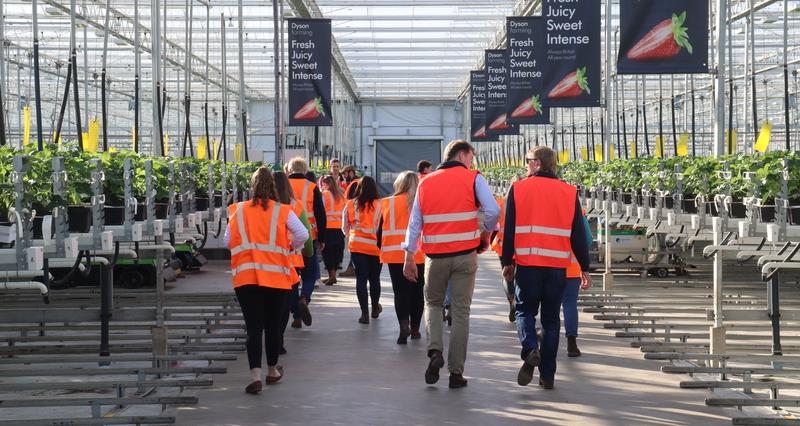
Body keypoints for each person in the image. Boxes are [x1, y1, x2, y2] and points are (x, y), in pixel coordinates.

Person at [402, 139, 500, 389]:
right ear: (462, 154)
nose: (472, 162)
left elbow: (415, 223)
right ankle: (456, 373)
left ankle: (435, 351)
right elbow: (492, 211)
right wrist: (486, 235)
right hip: (466, 255)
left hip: (435, 257)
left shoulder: (426, 182)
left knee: (433, 304)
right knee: (460, 312)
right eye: (471, 157)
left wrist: (408, 256)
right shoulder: (473, 178)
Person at [501, 146, 591, 390]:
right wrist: (585, 266)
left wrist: (506, 261)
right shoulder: (568, 191)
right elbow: (578, 235)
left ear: (538, 163)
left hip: (528, 266)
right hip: (556, 268)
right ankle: (547, 376)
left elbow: (509, 229)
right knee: (551, 321)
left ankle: (530, 348)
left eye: (528, 160)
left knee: (524, 312)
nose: (525, 164)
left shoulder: (518, 189)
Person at [224, 167, 308, 394]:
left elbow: (227, 241)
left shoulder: (238, 211)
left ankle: (255, 376)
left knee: (253, 329)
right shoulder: (283, 211)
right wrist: (290, 246)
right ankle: (272, 370)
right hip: (276, 278)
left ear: (251, 187)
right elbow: (303, 234)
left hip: (246, 278)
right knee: (272, 327)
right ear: (272, 186)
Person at [379, 171, 425, 344]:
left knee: (400, 292)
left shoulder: (387, 202)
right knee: (417, 292)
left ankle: (403, 326)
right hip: (418, 254)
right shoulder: (422, 202)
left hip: (393, 254)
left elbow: (379, 230)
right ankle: (415, 330)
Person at [272, 171, 313, 354]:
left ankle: (275, 336)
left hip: (270, 259)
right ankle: (280, 336)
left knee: (272, 302)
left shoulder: (267, 207)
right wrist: (306, 251)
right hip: (292, 259)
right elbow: (305, 233)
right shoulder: (295, 206)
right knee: (285, 302)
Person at [287, 157, 327, 329]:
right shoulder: (311, 187)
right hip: (309, 236)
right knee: (309, 275)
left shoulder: (283, 186)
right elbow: (320, 214)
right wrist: (322, 238)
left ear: (289, 170)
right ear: (305, 170)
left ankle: (296, 315)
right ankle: (304, 298)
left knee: (292, 277)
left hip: (287, 238)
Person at [342, 176, 383, 324]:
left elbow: (344, 227)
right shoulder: (380, 205)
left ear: (359, 187)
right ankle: (374, 308)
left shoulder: (351, 204)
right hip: (375, 247)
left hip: (357, 246)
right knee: (374, 279)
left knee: (361, 279)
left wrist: (351, 237)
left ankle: (364, 313)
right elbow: (382, 227)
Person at [562, 210, 593, 357]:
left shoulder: (546, 207)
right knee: (569, 305)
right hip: (572, 268)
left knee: (550, 306)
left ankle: (548, 341)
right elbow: (587, 240)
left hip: (550, 266)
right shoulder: (577, 211)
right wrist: (584, 267)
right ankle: (571, 343)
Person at [320, 175, 346, 285]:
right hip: (340, 227)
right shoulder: (341, 195)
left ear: (327, 184)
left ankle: (332, 275)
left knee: (327, 252)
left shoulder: (324, 195)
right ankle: (333, 275)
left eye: (323, 184)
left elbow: (320, 211)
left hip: (328, 228)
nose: (322, 186)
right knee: (336, 252)